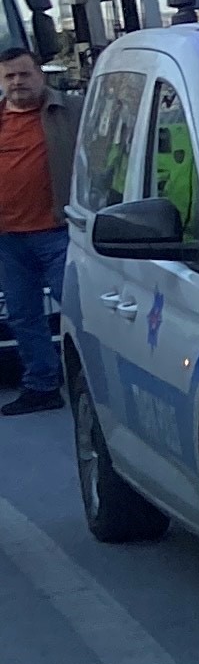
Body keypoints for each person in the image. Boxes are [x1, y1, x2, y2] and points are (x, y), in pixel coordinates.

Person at [0, 46, 77, 416]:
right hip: (8, 238)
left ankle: (96, 383)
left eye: (23, 74)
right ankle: (42, 386)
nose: (17, 82)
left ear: (39, 75)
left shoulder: (68, 112)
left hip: (57, 231)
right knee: (23, 315)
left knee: (78, 308)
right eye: (9, 76)